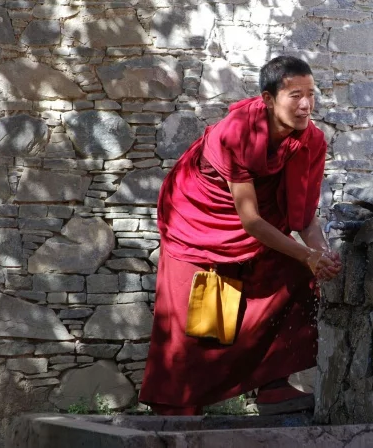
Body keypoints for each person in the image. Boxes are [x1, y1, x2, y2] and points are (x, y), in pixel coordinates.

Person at [139, 56, 341, 416]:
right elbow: (250, 220)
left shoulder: (311, 141)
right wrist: (307, 254)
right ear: (267, 99)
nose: (306, 104)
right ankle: (178, 408)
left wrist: (321, 254)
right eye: (295, 95)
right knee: (199, 321)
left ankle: (274, 386)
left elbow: (305, 217)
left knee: (294, 277)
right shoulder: (236, 134)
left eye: (311, 94)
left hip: (256, 230)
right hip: (199, 224)